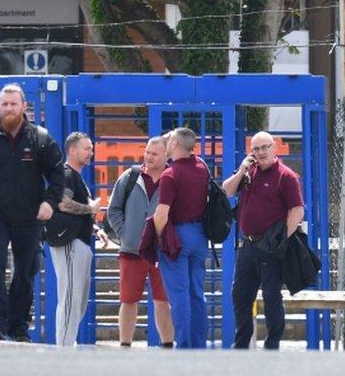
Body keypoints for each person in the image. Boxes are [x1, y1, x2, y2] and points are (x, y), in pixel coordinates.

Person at [0, 83, 64, 342]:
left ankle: (18, 326)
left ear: (23, 107)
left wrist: (50, 202)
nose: (8, 109)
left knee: (25, 272)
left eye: (13, 104)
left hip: (31, 217)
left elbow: (58, 173)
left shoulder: (40, 139)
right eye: (4, 104)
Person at [222, 132, 304, 350]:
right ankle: (241, 343)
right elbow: (226, 191)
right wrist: (241, 171)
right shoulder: (249, 173)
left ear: (274, 147)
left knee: (271, 297)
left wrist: (281, 239)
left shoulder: (285, 176)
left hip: (270, 247)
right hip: (247, 245)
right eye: (256, 149)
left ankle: (272, 344)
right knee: (239, 295)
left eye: (264, 147)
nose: (260, 153)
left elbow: (297, 210)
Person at [106, 136, 174, 348]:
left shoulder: (173, 178)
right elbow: (113, 209)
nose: (149, 157)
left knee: (163, 302)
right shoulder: (130, 177)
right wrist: (126, 233)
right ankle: (124, 346)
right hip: (132, 251)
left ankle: (168, 346)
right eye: (147, 152)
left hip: (162, 252)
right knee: (128, 301)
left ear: (166, 155)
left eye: (154, 153)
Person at [46, 132, 108, 346]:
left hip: (79, 242)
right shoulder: (66, 174)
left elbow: (74, 210)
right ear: (72, 151)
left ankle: (67, 343)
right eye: (86, 148)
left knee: (78, 301)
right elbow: (63, 204)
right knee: (70, 299)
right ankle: (63, 350)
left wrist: (94, 228)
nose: (91, 152)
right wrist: (90, 208)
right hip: (69, 244)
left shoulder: (76, 175)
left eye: (91, 148)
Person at [151, 127, 210, 349]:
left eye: (169, 139)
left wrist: (155, 238)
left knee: (178, 295)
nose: (165, 141)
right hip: (200, 236)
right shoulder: (202, 168)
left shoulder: (170, 174)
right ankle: (198, 344)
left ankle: (184, 345)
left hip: (177, 237)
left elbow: (162, 213)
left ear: (175, 144)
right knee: (196, 292)